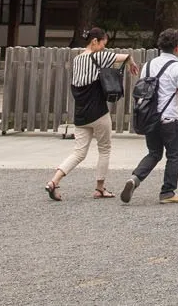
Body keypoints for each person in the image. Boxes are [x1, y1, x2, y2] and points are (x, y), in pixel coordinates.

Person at [45, 27, 138, 201]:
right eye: (103, 43)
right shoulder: (98, 56)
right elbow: (124, 57)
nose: (104, 47)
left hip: (80, 113)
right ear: (95, 41)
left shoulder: (77, 59)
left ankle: (53, 181)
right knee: (104, 149)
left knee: (79, 153)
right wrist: (132, 62)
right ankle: (100, 188)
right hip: (98, 112)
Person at [120, 28, 178, 205]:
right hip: (169, 119)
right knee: (174, 155)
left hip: (150, 118)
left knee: (154, 153)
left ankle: (135, 179)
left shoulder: (148, 65)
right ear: (177, 48)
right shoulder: (177, 67)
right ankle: (167, 192)